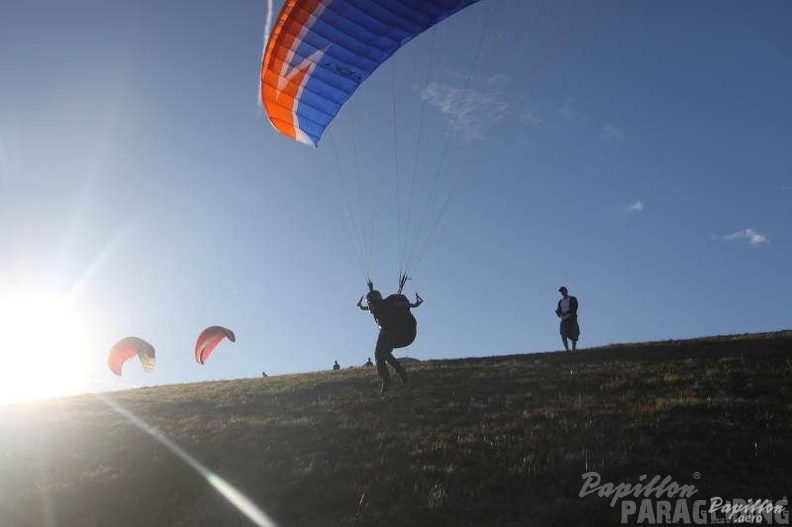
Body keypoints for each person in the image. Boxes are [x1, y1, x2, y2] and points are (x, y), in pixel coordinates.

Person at [357, 281, 423, 394]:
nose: (372, 306)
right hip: (384, 331)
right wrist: (370, 290)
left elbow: (404, 305)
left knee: (384, 353)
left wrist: (415, 304)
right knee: (378, 354)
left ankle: (401, 371)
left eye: (373, 303)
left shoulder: (389, 303)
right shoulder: (373, 308)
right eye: (370, 304)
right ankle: (385, 379)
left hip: (394, 330)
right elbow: (365, 308)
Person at [555, 286, 580, 352]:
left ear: (566, 291)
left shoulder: (572, 299)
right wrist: (559, 313)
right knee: (563, 333)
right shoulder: (560, 302)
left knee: (574, 333)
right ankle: (567, 349)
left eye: (563, 291)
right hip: (564, 320)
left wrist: (567, 313)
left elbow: (575, 307)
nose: (562, 293)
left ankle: (573, 349)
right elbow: (559, 310)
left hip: (572, 318)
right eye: (561, 292)